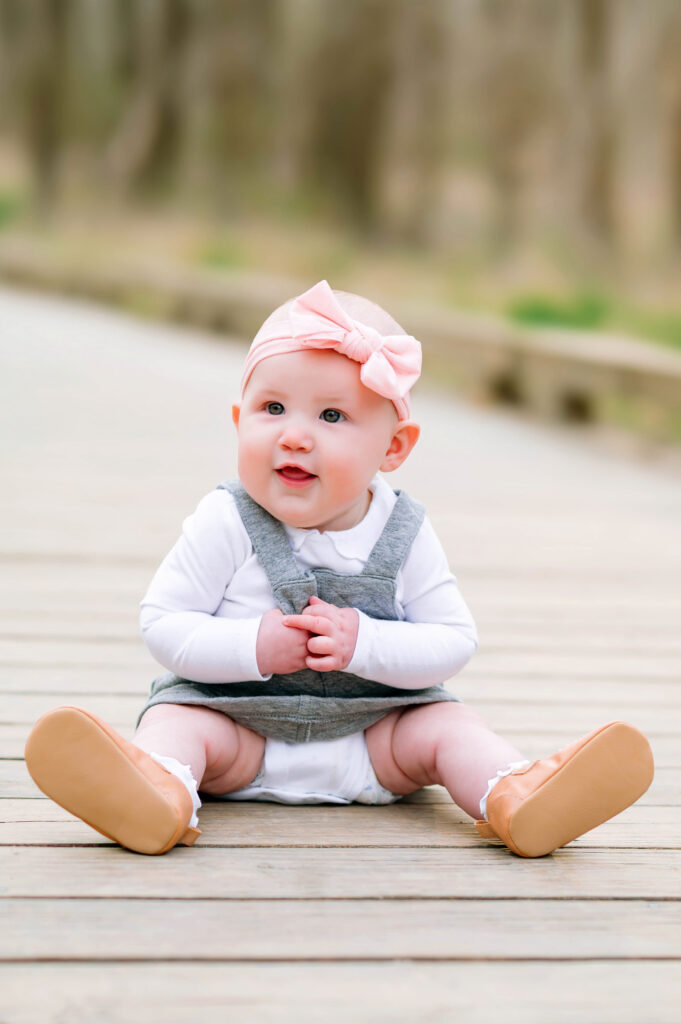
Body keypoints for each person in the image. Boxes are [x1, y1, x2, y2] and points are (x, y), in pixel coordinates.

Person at [25, 280, 654, 857]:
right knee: (176, 722)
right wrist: (254, 646)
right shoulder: (224, 519)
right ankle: (159, 795)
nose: (295, 436)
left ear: (394, 448)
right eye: (273, 409)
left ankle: (514, 795)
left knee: (448, 726)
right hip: (238, 733)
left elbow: (453, 640)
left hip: (376, 740)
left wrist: (366, 643)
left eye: (331, 417)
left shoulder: (404, 532)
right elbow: (163, 623)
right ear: (240, 421)